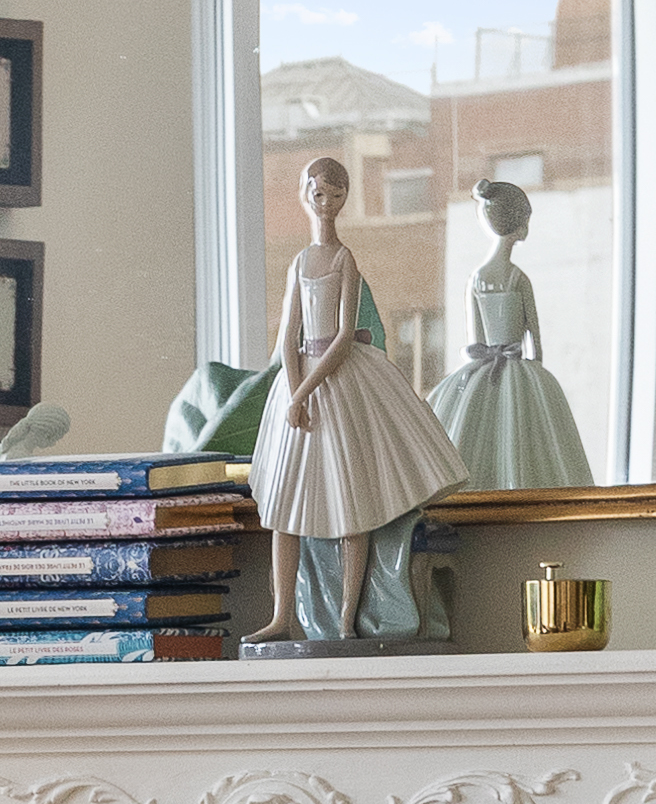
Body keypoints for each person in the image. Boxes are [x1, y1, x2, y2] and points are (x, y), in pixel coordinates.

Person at [248, 149, 465, 648]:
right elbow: (288, 333)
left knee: (353, 503)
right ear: (306, 196)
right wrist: (293, 384)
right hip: (300, 380)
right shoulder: (300, 261)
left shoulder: (345, 258)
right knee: (283, 509)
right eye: (318, 192)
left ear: (345, 198)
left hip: (336, 382)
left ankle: (347, 618)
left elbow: (345, 334)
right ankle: (282, 614)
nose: (326, 202)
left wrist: (304, 388)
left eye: (336, 193)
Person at [441, 173, 595, 490]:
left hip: (483, 371)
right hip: (517, 370)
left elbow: (476, 341)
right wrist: (534, 365)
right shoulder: (518, 278)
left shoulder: (478, 278)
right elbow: (534, 341)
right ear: (520, 224)